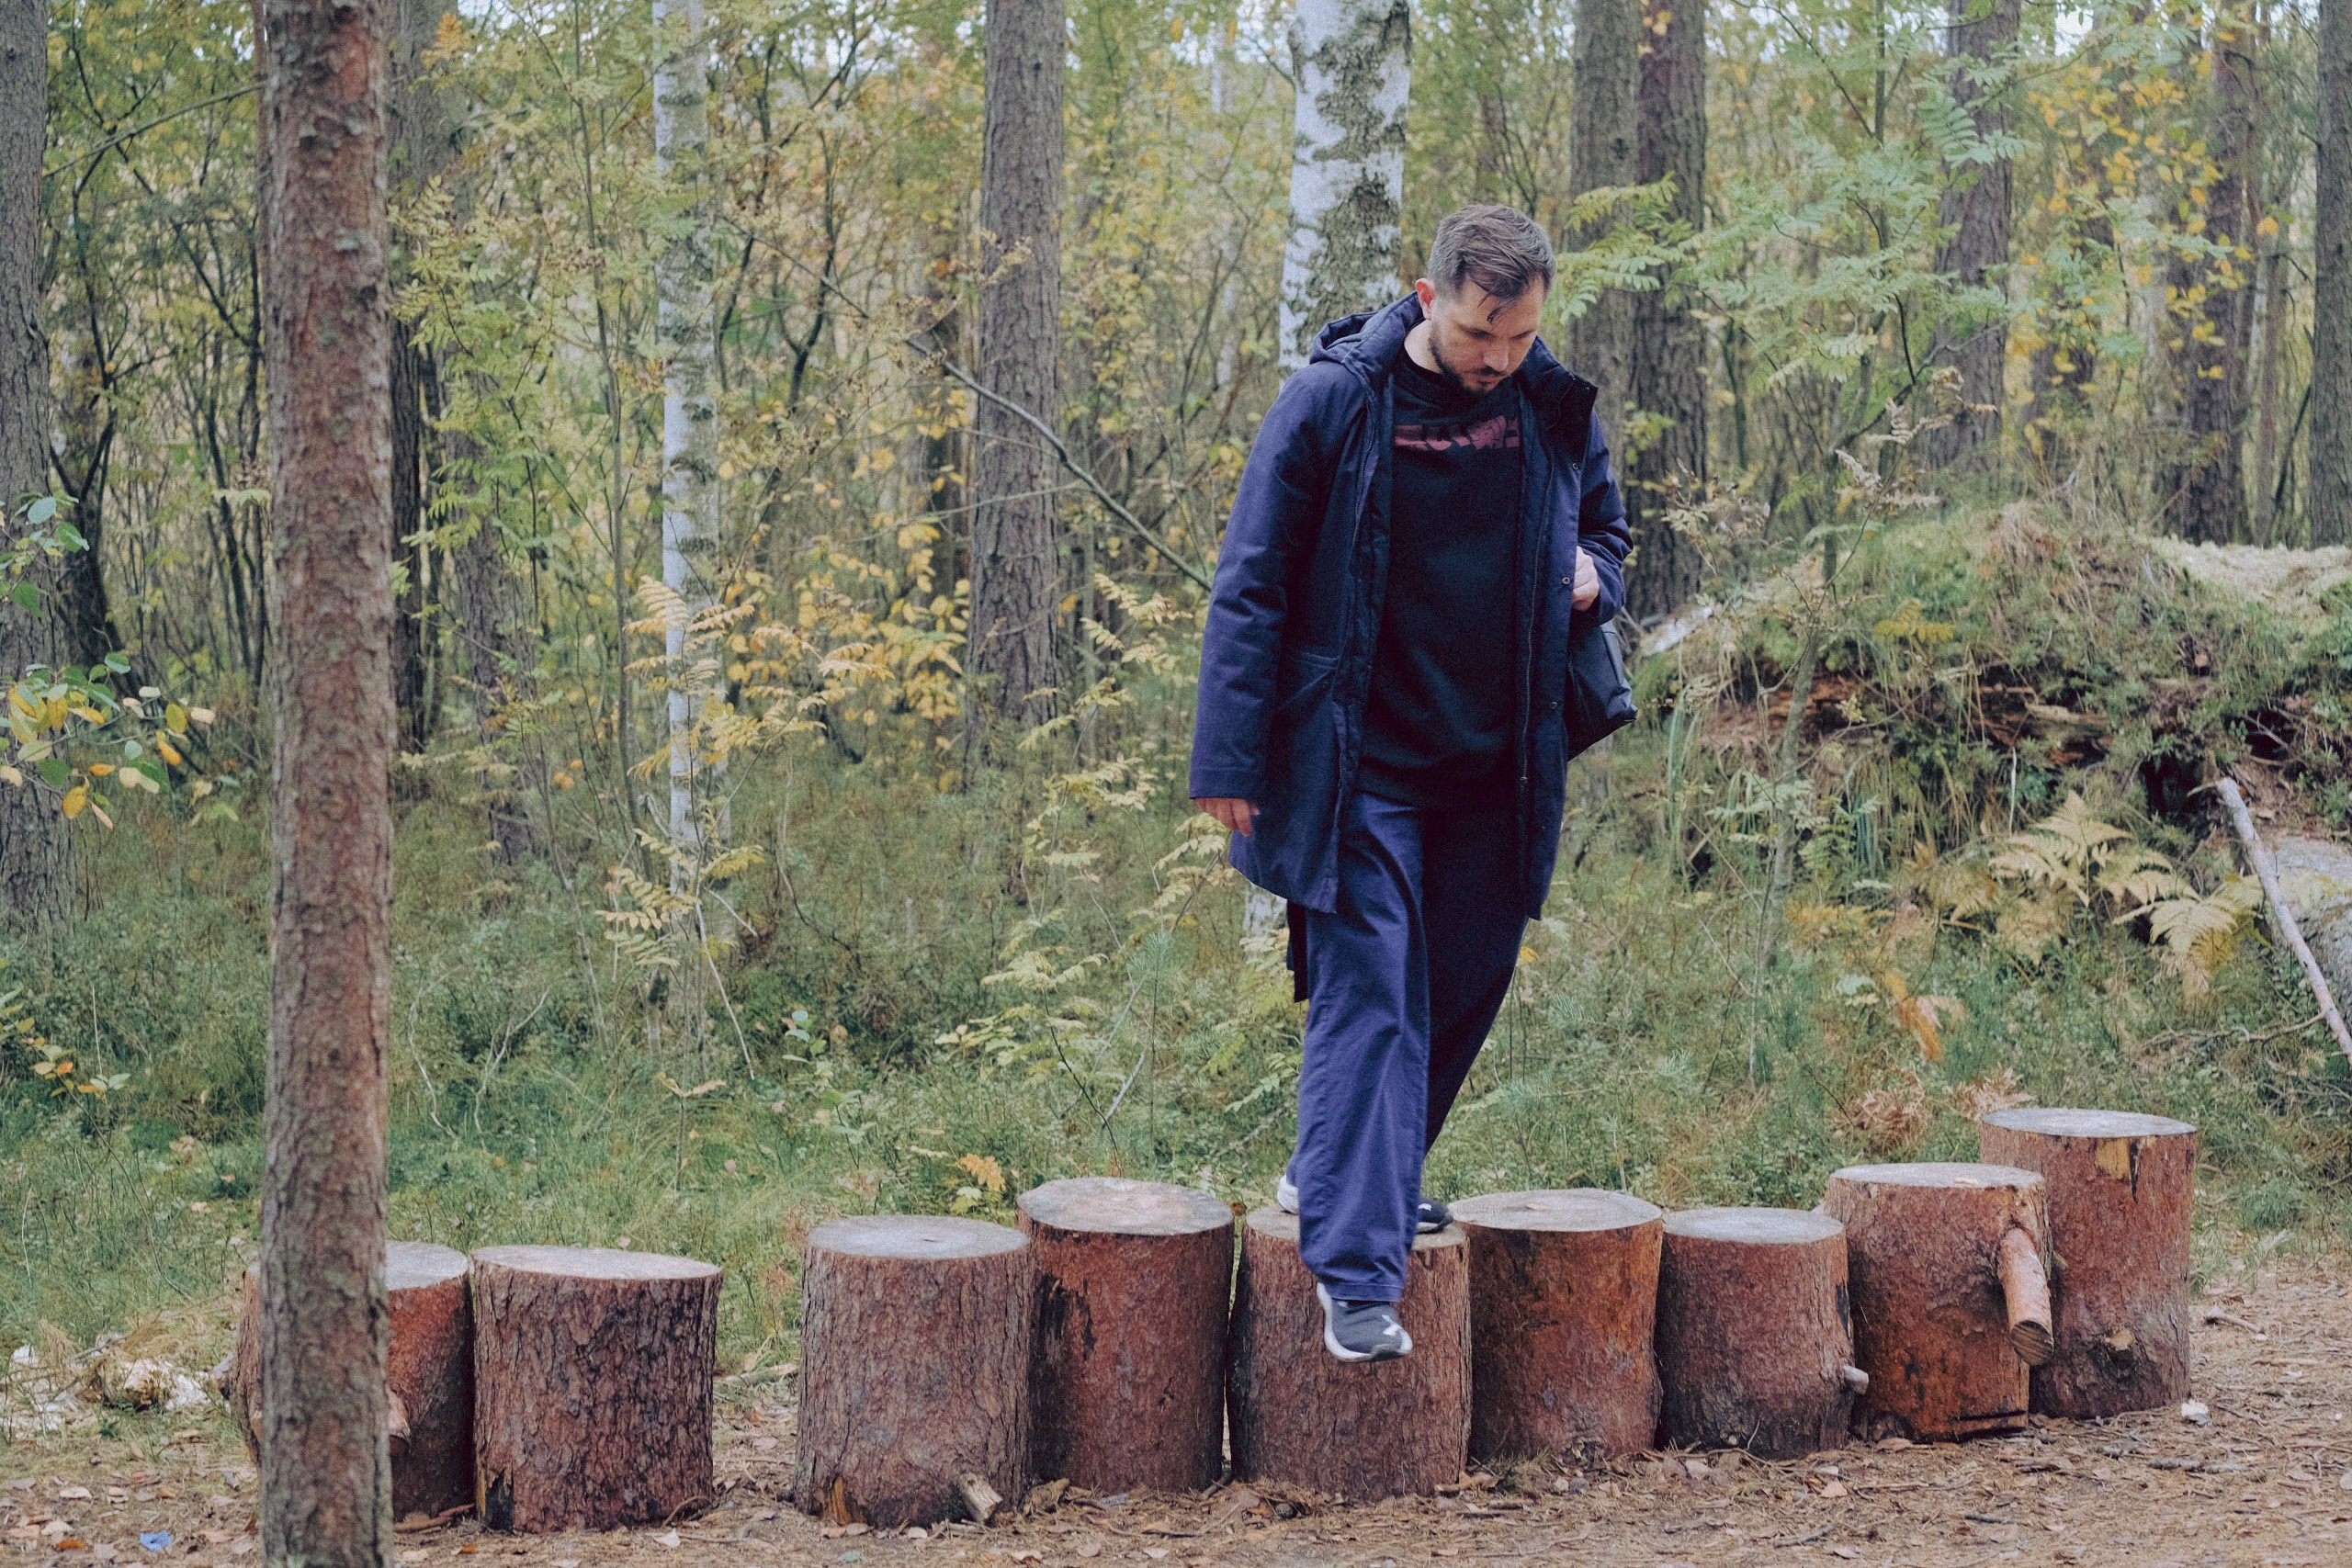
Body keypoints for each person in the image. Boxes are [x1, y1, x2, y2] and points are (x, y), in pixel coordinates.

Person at [1189, 205, 1631, 1361]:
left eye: (1522, 336)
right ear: (1429, 299)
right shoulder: (1336, 401)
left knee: (1463, 984)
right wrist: (1229, 759)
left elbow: (1610, 538)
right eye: (1485, 334)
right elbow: (1251, 582)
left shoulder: (1551, 407)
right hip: (1357, 766)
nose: (1500, 359)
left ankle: (1337, 1181)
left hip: (1499, 762)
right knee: (1374, 992)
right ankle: (1357, 1275)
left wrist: (1595, 577)